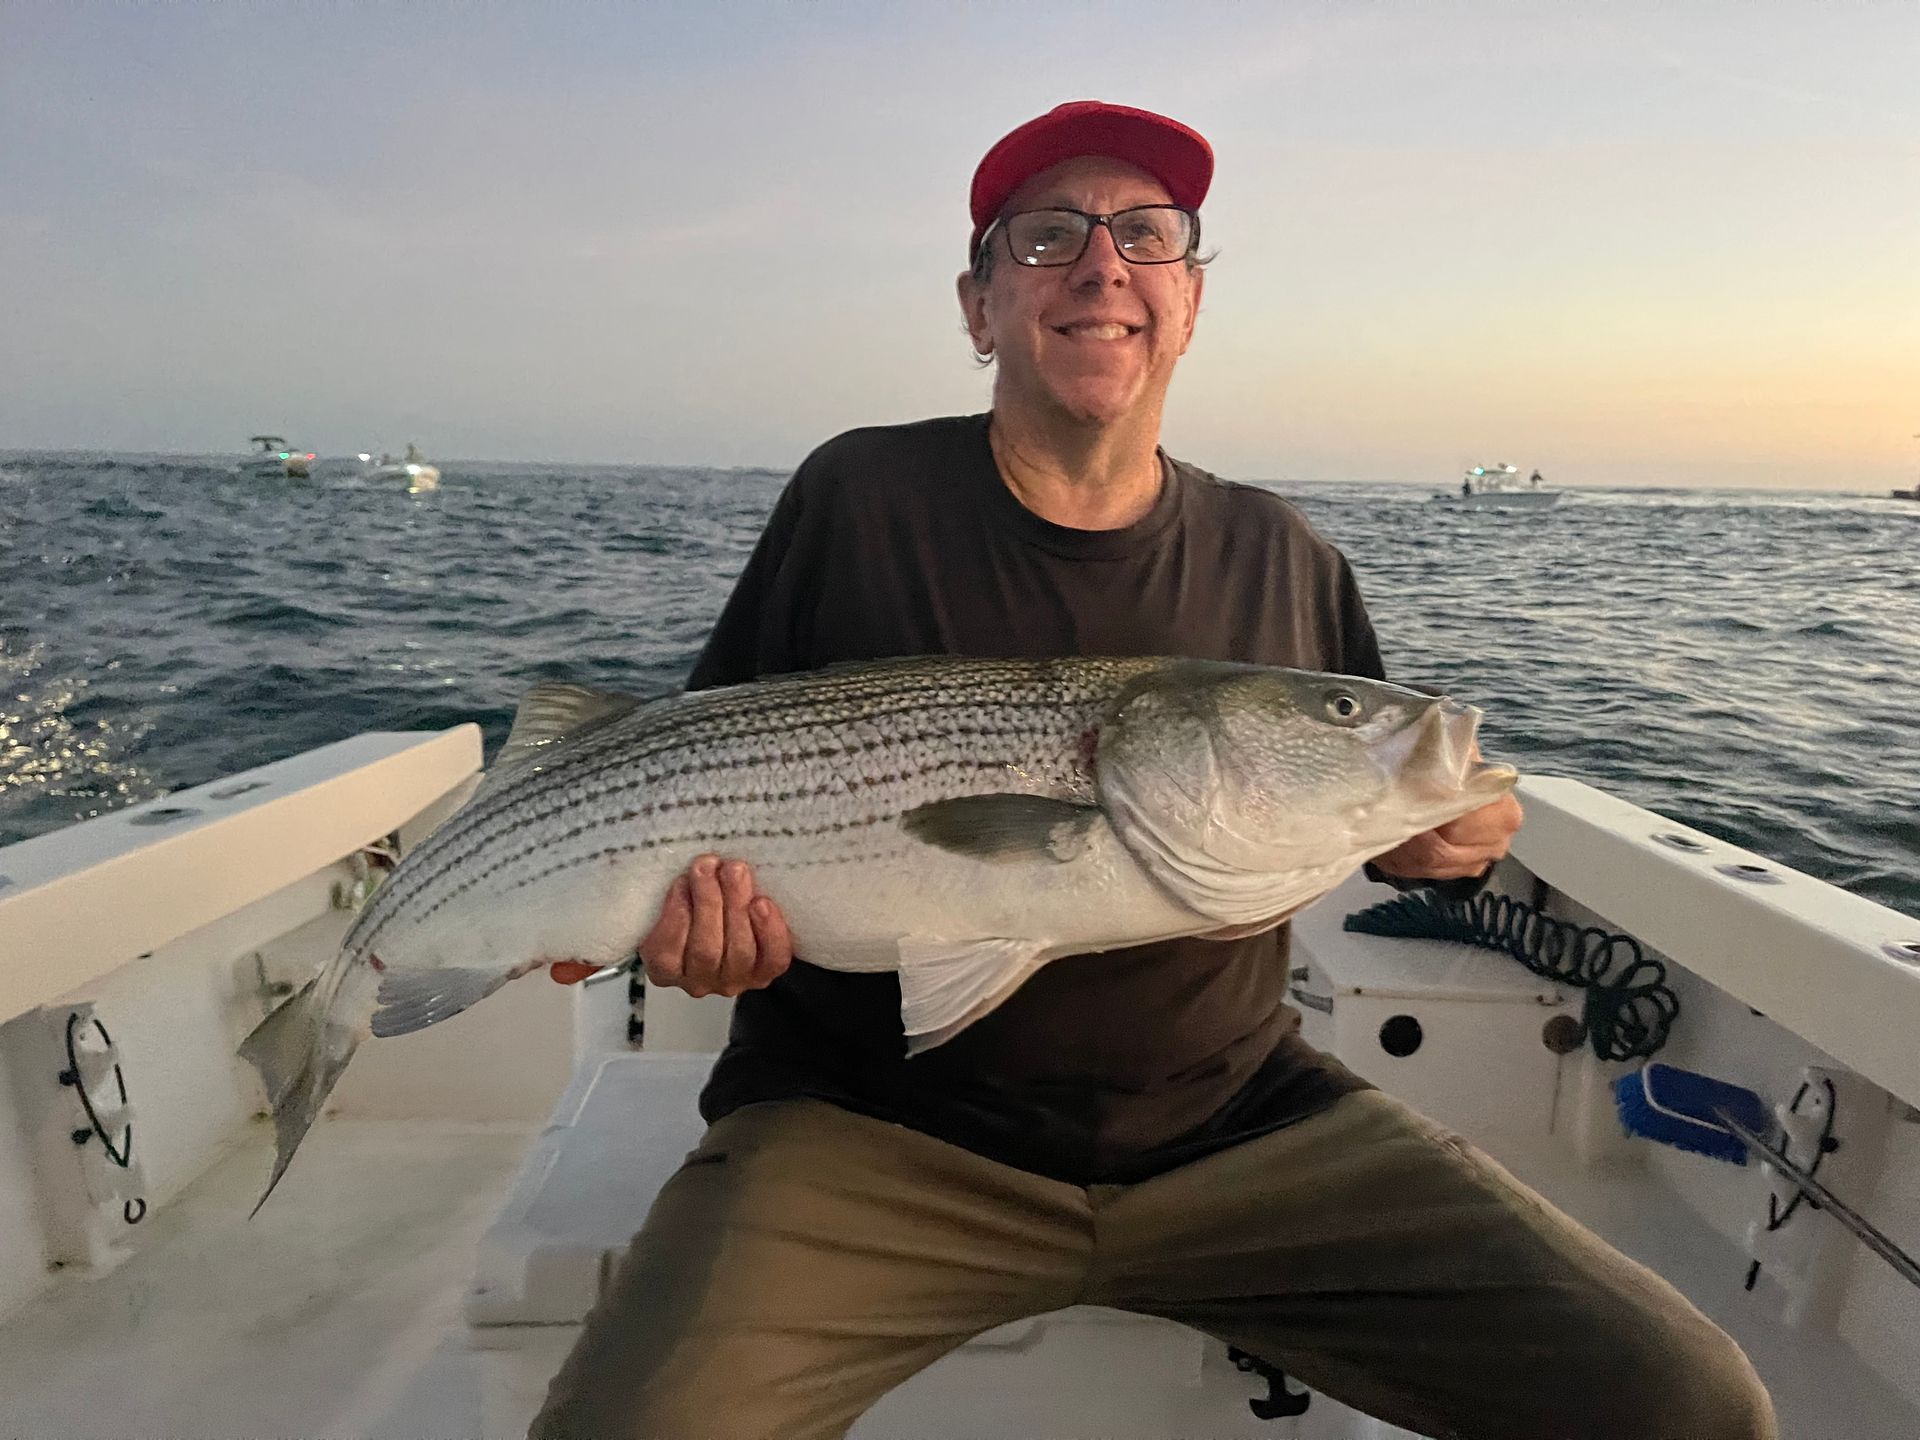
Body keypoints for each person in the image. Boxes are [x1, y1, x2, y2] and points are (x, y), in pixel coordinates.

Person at [533, 101, 1773, 1440]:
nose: (1103, 266)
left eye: (1150, 235)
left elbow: (1368, 802)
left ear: (1187, 303)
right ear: (980, 305)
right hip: (868, 1132)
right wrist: (689, 934)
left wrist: (1433, 836)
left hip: (1243, 1126)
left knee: (1687, 1404)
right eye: (1049, 235)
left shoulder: (1285, 555)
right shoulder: (861, 498)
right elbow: (691, 772)